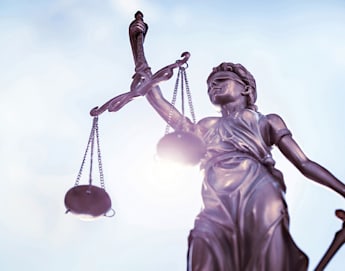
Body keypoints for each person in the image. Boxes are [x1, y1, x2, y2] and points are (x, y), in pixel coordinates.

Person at [145, 62, 345, 271]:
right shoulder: (205, 126)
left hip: (258, 188)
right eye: (210, 85)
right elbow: (159, 101)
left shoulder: (267, 121)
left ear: (247, 89)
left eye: (221, 80)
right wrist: (142, 63)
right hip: (215, 199)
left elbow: (303, 163)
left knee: (267, 254)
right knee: (202, 245)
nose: (213, 86)